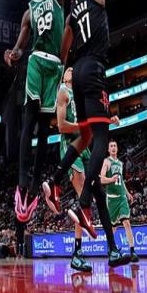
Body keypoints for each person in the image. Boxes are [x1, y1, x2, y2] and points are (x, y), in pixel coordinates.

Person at [41, 0, 129, 268]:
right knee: (101, 139)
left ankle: (55, 178)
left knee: (89, 136)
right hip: (93, 70)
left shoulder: (71, 16)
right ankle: (82, 202)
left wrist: (59, 78)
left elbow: (63, 55)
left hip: (76, 71)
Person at [4, 0, 95, 222]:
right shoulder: (34, 8)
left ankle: (30, 186)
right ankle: (25, 184)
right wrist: (12, 54)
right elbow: (19, 47)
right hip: (42, 62)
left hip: (49, 64)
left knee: (41, 127)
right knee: (33, 124)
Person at [46, 67, 92, 271]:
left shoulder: (79, 94)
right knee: (82, 194)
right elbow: (62, 126)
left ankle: (78, 251)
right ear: (64, 77)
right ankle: (77, 253)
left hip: (84, 145)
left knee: (88, 195)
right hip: (70, 144)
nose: (71, 69)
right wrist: (82, 127)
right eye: (68, 69)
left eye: (74, 69)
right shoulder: (63, 92)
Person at [100, 139, 139, 262]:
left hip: (122, 197)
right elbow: (101, 179)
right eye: (111, 146)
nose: (113, 148)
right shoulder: (107, 161)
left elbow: (121, 180)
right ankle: (111, 249)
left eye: (115, 146)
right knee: (113, 228)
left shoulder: (121, 164)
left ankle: (132, 251)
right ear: (108, 149)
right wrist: (111, 180)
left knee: (126, 222)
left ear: (117, 149)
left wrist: (127, 193)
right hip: (111, 199)